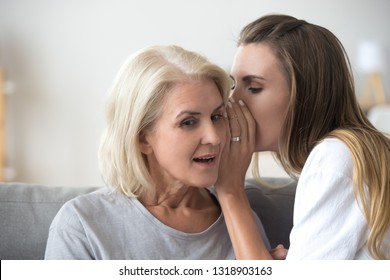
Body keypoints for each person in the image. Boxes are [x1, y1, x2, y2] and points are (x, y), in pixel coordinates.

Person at [44, 45, 271, 259]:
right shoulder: (82, 224)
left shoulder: (240, 218)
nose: (214, 137)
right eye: (189, 122)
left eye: (216, 116)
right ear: (143, 138)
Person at [215, 14, 390, 260]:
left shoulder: (334, 158)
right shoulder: (354, 150)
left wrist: (230, 191)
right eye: (234, 85)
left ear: (304, 94)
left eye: (253, 88)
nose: (233, 102)